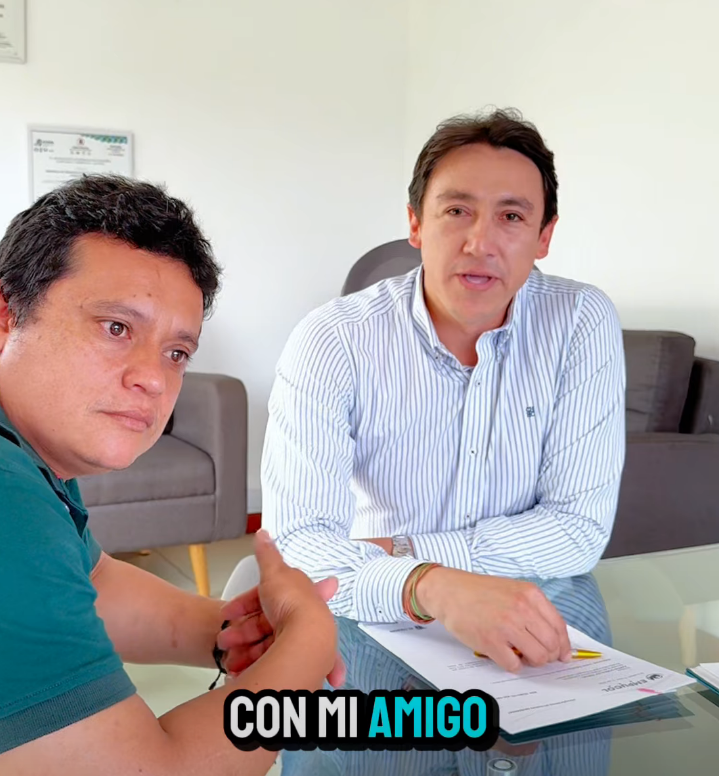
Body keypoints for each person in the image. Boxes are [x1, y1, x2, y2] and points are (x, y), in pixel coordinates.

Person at [261, 108, 626, 673]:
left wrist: (406, 552)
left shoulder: (580, 321)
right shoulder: (333, 339)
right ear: (415, 224)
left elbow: (578, 531)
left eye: (511, 216)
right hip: (373, 623)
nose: (480, 242)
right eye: (457, 211)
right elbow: (300, 547)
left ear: (544, 236)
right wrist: (431, 585)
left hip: (534, 618)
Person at [0, 175, 342, 775]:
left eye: (176, 353)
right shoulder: (9, 505)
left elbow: (93, 581)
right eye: (116, 328)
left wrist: (226, 628)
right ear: (7, 316)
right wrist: (309, 642)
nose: (154, 379)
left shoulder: (31, 459)